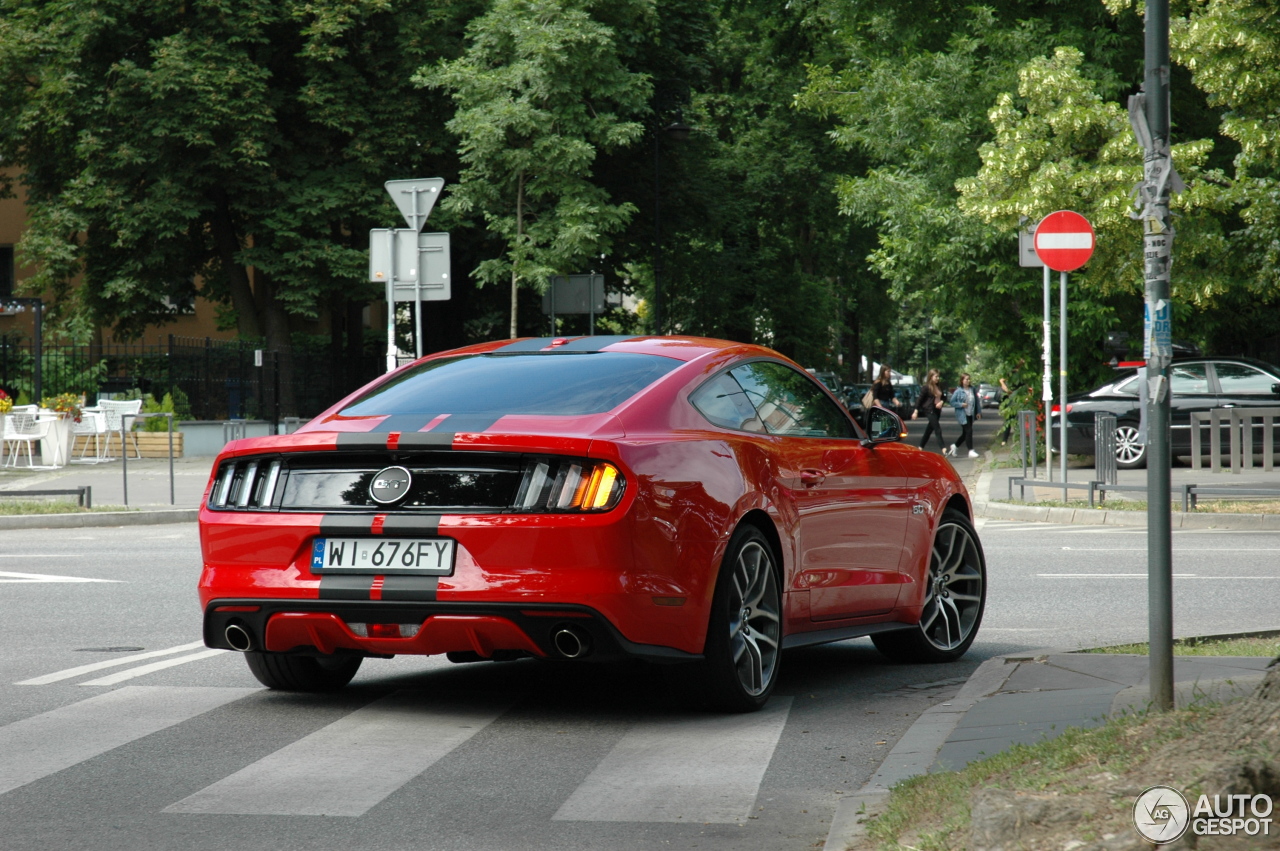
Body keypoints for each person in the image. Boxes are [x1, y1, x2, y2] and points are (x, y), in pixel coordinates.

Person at [911, 369, 946, 452]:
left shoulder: (939, 386)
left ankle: (920, 447)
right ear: (931, 377)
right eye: (936, 376)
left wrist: (941, 402)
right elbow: (919, 400)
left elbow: (944, 397)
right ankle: (943, 448)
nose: (938, 378)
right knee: (937, 429)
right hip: (929, 410)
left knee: (929, 430)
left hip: (937, 410)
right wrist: (916, 411)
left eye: (938, 376)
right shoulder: (926, 387)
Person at [948, 373, 982, 458]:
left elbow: (977, 401)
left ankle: (955, 446)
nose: (968, 381)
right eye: (966, 379)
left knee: (965, 433)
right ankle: (971, 451)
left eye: (969, 379)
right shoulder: (958, 391)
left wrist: (978, 412)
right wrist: (961, 404)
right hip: (962, 414)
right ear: (962, 381)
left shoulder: (972, 389)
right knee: (969, 431)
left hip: (971, 413)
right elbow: (952, 402)